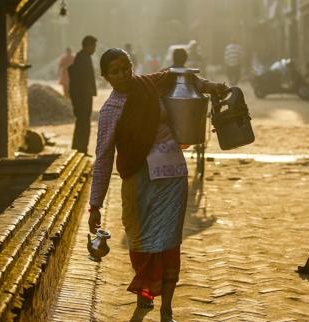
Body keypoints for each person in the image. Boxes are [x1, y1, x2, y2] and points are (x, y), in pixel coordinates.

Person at [89, 48, 228, 322]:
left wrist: (208, 86)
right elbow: (103, 158)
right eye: (114, 71)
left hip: (172, 176)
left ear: (132, 66)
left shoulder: (148, 84)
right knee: (141, 242)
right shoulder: (110, 110)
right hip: (138, 181)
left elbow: (180, 78)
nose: (122, 75)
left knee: (168, 243)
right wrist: (95, 204)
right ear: (105, 76)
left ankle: (167, 309)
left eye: (125, 67)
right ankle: (146, 296)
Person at [68, 35, 97, 154]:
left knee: (82, 122)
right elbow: (80, 81)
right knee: (83, 122)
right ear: (88, 46)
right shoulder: (83, 58)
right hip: (82, 97)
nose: (94, 49)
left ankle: (79, 148)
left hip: (84, 96)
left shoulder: (83, 57)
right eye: (93, 46)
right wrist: (77, 100)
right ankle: (81, 149)